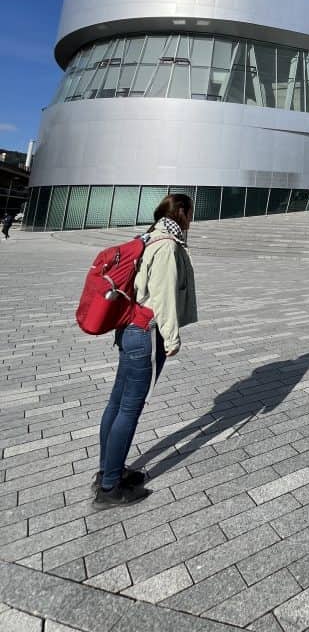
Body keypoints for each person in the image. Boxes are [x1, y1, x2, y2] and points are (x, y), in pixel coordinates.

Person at [94, 193, 197, 509]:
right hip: (147, 334)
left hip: (130, 331)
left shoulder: (148, 237)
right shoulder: (167, 245)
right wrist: (172, 339)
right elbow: (164, 297)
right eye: (191, 214)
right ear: (181, 213)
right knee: (129, 409)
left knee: (116, 402)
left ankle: (108, 471)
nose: (192, 220)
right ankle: (110, 488)